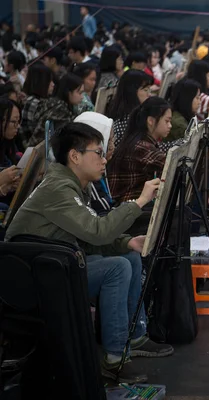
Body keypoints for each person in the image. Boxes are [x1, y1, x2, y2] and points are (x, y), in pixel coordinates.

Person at [4, 122, 173, 384]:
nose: (105, 160)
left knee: (128, 257)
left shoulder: (69, 183)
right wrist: (139, 201)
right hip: (36, 274)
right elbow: (95, 232)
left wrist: (126, 243)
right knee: (117, 268)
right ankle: (115, 358)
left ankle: (132, 335)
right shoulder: (59, 188)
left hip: (55, 262)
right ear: (75, 156)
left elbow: (85, 236)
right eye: (98, 152)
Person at [107, 96, 171, 205]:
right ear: (151, 121)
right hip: (127, 208)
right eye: (167, 121)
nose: (170, 125)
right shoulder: (141, 147)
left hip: (131, 206)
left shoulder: (138, 140)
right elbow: (171, 164)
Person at [74, 111, 115, 216]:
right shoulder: (88, 173)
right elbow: (102, 211)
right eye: (108, 141)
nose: (112, 147)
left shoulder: (98, 165)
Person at [30, 73, 84, 147]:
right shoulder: (60, 110)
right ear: (68, 92)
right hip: (41, 152)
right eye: (79, 93)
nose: (82, 97)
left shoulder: (53, 102)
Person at [106, 69, 153, 148]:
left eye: (149, 89)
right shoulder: (125, 123)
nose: (149, 94)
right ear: (132, 92)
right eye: (146, 90)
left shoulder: (137, 115)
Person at [19, 62, 54, 146]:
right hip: (31, 150)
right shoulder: (33, 102)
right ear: (41, 82)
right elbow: (39, 134)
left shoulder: (42, 100)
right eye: (49, 81)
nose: (53, 84)